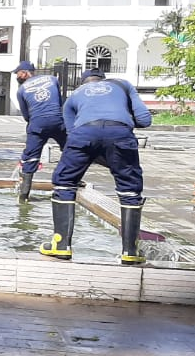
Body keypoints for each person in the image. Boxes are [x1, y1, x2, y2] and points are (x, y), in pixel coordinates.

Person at [40, 68, 152, 265]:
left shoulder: (74, 96)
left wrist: (92, 148)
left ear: (83, 83)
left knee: (64, 183)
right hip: (120, 135)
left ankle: (61, 245)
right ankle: (130, 250)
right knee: (130, 189)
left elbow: (70, 132)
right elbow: (144, 119)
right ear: (104, 79)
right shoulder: (123, 85)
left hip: (83, 135)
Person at [12, 60, 67, 201]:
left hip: (37, 125)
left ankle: (24, 196)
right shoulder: (53, 79)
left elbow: (26, 115)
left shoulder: (22, 90)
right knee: (69, 150)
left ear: (24, 73)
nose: (17, 77)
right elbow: (59, 102)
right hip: (58, 121)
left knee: (30, 158)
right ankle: (69, 182)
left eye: (17, 74)